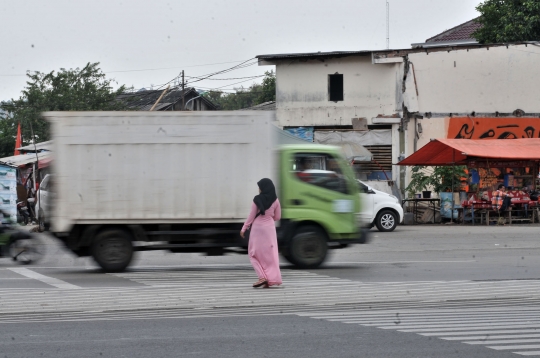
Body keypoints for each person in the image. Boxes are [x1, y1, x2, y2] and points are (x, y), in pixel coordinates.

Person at [240, 178, 282, 288]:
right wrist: (268, 217)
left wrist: (244, 228)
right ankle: (270, 279)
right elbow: (277, 217)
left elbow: (251, 216)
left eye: (260, 187)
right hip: (270, 230)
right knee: (270, 255)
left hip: (257, 229)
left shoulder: (257, 200)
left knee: (253, 254)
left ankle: (262, 277)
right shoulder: (276, 200)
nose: (259, 189)